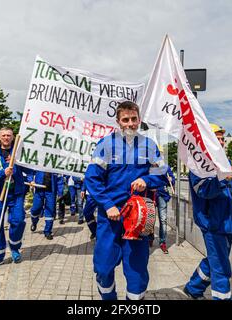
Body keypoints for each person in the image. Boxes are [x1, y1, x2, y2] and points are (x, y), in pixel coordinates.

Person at [85, 101, 168, 300]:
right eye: (125, 119)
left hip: (138, 220)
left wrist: (147, 180)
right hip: (110, 216)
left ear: (139, 120)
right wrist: (107, 204)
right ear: (118, 121)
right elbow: (92, 178)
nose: (130, 123)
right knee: (103, 268)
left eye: (134, 119)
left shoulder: (149, 145)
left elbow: (163, 174)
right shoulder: (106, 144)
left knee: (137, 273)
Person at [183, 124, 232, 300]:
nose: (221, 141)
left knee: (215, 260)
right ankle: (222, 297)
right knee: (221, 266)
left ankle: (193, 287)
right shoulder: (198, 165)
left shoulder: (226, 162)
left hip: (228, 221)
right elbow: (204, 191)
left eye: (222, 138)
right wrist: (222, 179)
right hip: (212, 222)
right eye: (216, 138)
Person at [0, 127, 32, 269]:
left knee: (18, 220)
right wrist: (2, 172)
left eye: (9, 135)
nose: (6, 137)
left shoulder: (19, 153)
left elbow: (30, 170)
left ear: (13, 137)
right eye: (3, 135)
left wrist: (16, 163)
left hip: (16, 193)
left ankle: (15, 247)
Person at [28, 170, 63, 240]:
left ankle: (48, 231)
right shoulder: (39, 160)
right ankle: (34, 222)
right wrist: (31, 180)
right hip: (39, 188)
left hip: (51, 190)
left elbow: (59, 178)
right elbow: (30, 170)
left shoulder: (56, 162)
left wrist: (60, 192)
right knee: (35, 209)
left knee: (50, 210)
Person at [148, 166, 175, 254]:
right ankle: (150, 237)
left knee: (163, 220)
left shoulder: (165, 167)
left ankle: (162, 242)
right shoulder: (148, 166)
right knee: (150, 219)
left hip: (162, 195)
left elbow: (172, 179)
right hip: (150, 195)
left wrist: (171, 179)